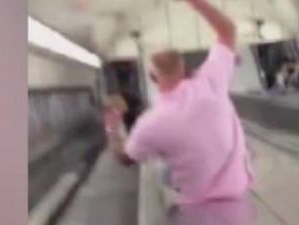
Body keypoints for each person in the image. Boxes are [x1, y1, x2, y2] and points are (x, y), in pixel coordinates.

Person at [105, 0, 253, 205]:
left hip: (196, 204)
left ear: (152, 77)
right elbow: (227, 29)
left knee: (162, 165)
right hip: (238, 195)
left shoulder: (150, 123)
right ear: (183, 69)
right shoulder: (211, 81)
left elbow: (126, 158)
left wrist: (112, 128)